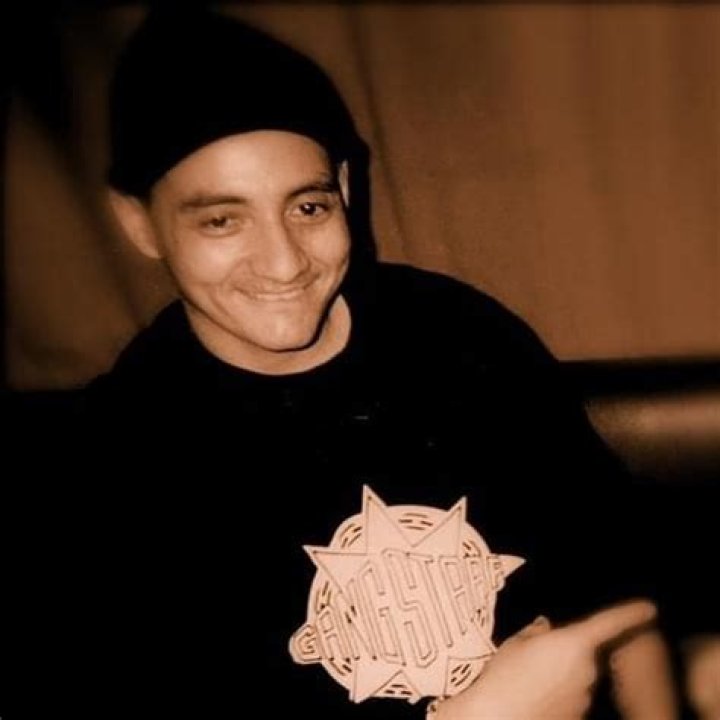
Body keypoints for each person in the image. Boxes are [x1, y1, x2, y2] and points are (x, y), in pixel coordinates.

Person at [8, 7, 685, 719]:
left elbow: (615, 588)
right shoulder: (110, 464)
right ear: (138, 222)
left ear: (345, 188)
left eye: (307, 208)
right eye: (221, 220)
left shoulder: (459, 334)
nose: (282, 263)